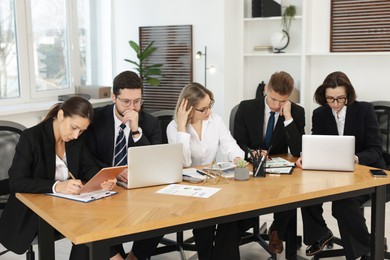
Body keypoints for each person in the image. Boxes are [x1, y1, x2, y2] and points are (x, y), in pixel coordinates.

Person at [0, 97, 117, 259]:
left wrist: (101, 180)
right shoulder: (31, 137)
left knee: (96, 223)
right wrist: (57, 186)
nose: (76, 135)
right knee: (89, 225)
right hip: (34, 212)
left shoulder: (76, 139)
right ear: (61, 115)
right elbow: (16, 182)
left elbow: (88, 166)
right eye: (74, 128)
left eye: (81, 131)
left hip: (68, 208)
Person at [295, 71, 388, 260]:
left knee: (342, 204)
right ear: (323, 96)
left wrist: (354, 158)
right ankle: (320, 234)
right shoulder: (320, 113)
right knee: (305, 191)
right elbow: (317, 142)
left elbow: (376, 150)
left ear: (348, 95)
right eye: (330, 99)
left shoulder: (364, 110)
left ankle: (367, 250)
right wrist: (306, 155)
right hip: (334, 175)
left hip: (366, 174)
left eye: (340, 99)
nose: (335, 104)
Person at [86, 70, 162, 260]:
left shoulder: (150, 123)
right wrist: (113, 172)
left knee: (161, 212)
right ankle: (115, 256)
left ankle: (134, 257)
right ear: (114, 97)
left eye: (137, 101)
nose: (132, 107)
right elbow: (86, 157)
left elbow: (153, 160)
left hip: (136, 187)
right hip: (105, 184)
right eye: (126, 101)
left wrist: (136, 131)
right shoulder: (95, 119)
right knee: (100, 215)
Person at [166, 82, 246, 260]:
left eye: (210, 105)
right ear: (187, 108)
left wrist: (237, 158)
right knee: (205, 223)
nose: (208, 112)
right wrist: (181, 127)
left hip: (212, 181)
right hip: (186, 187)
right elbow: (184, 162)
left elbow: (229, 144)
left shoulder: (215, 120)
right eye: (203, 109)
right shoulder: (173, 128)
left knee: (230, 217)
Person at [234, 71, 305, 254]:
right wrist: (252, 153)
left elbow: (297, 150)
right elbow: (237, 142)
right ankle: (239, 229)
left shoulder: (297, 112)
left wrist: (288, 118)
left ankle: (277, 231)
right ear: (266, 89)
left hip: (277, 168)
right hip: (250, 166)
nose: (276, 105)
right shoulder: (246, 107)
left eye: (282, 101)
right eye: (273, 99)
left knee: (291, 191)